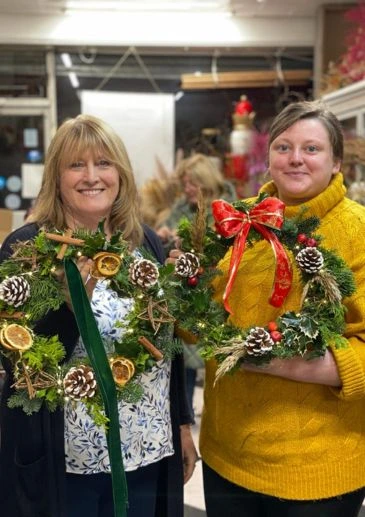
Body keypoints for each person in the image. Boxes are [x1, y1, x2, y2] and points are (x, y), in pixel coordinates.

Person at [0, 114, 197, 517]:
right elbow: (19, 364)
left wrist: (181, 425)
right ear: (57, 177)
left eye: (104, 163)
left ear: (120, 173)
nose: (92, 176)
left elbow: (164, 344)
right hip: (69, 463)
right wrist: (73, 303)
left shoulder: (142, 243)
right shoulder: (27, 248)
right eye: (76, 165)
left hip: (148, 450)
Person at [199, 100, 365, 516]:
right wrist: (184, 288)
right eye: (283, 146)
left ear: (336, 161)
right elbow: (204, 324)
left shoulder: (358, 232)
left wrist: (263, 360)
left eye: (312, 149)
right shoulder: (239, 221)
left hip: (315, 470)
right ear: (268, 157)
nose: (295, 159)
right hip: (226, 456)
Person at [157, 153, 236, 418]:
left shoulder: (230, 210)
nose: (188, 189)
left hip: (220, 295)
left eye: (192, 183)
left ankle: (210, 414)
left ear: (206, 180)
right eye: (185, 183)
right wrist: (168, 237)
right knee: (185, 360)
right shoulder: (182, 208)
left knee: (219, 357)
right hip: (187, 292)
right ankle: (184, 417)